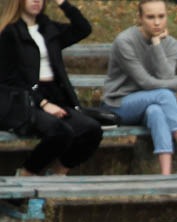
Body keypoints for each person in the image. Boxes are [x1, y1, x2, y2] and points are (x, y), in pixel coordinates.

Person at [102, 0, 177, 176]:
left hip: (149, 102)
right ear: (140, 18)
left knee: (156, 111)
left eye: (161, 16)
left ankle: (165, 176)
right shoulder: (125, 41)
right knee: (164, 95)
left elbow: (165, 77)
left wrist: (157, 44)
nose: (157, 22)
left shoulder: (170, 44)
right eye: (150, 17)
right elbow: (145, 82)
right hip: (119, 104)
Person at [0, 0, 101, 177]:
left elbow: (83, 28)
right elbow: (9, 79)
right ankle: (27, 173)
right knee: (61, 132)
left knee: (91, 129)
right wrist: (43, 103)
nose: (37, 1)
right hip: (22, 100)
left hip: (54, 95)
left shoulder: (48, 28)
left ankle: (58, 173)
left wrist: (63, 3)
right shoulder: (9, 33)